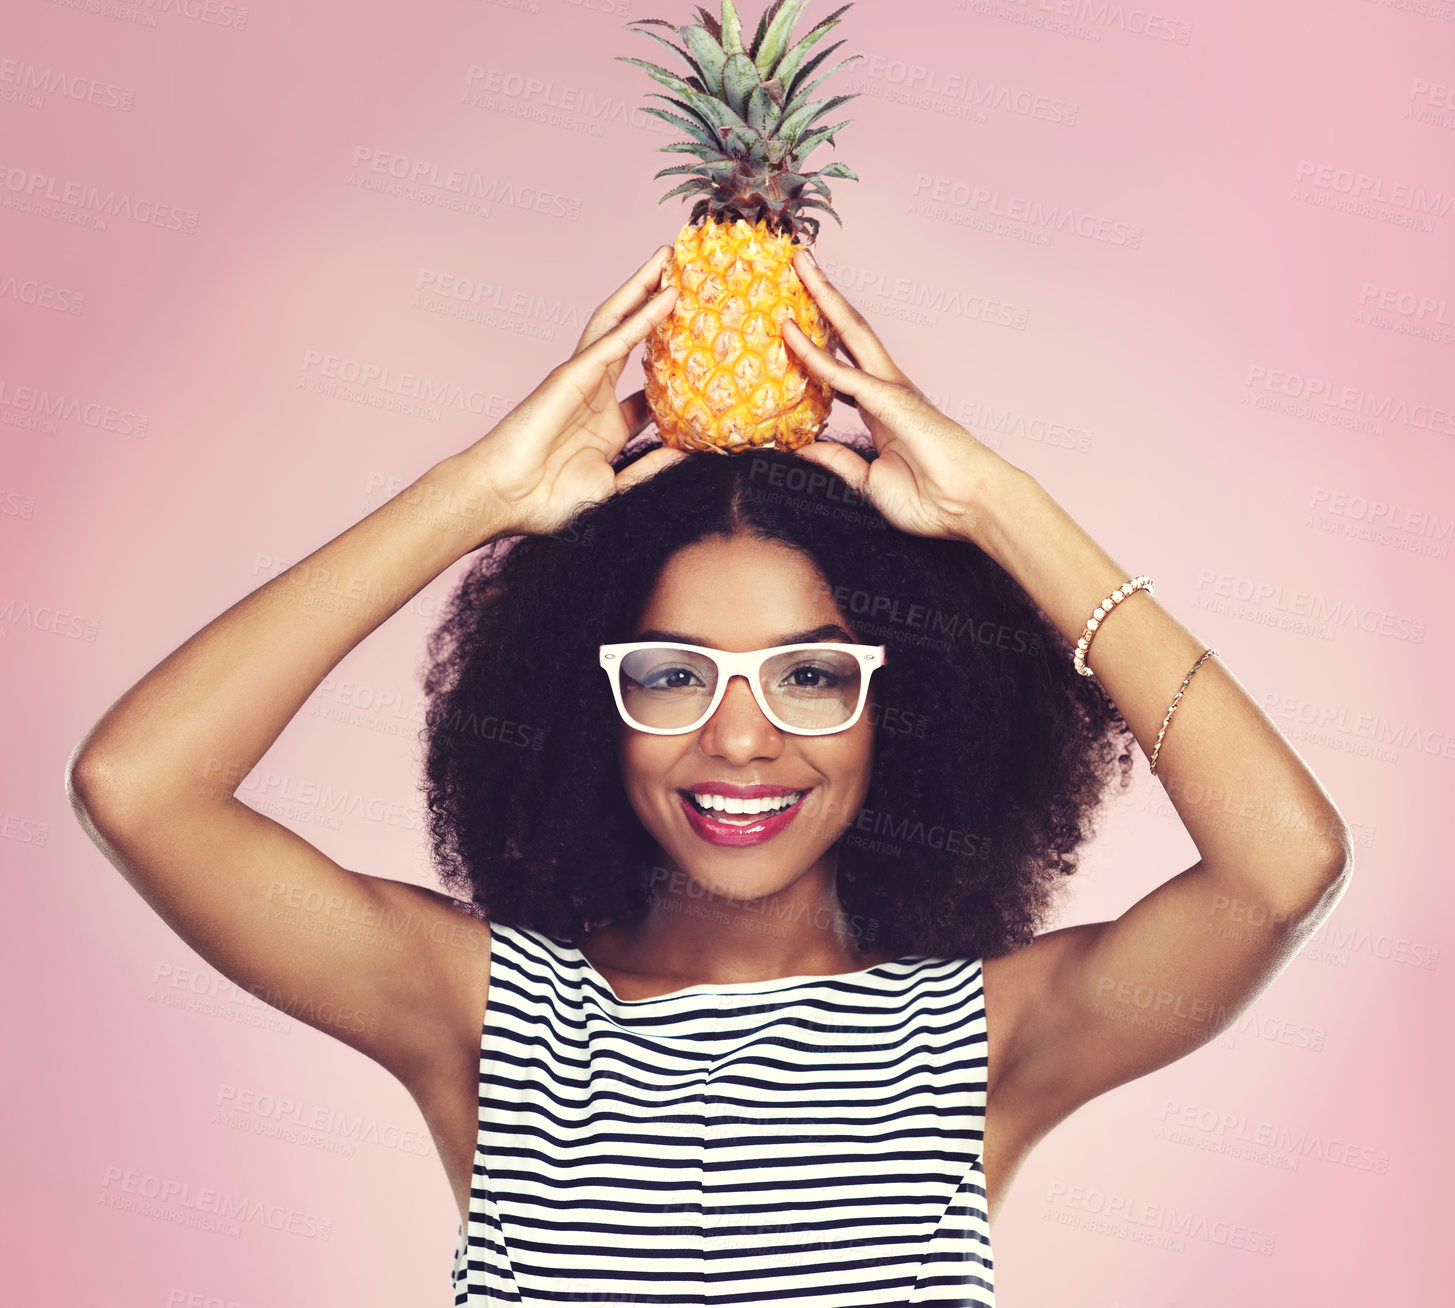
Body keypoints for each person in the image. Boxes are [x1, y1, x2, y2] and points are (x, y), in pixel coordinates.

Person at [66, 244, 1352, 1306]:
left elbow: (1283, 863)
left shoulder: (981, 1044)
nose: (739, 739)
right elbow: (140, 784)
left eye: (810, 675)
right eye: (674, 675)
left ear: (893, 714)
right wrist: (479, 493)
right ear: (594, 707)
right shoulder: (488, 1021)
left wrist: (998, 509)